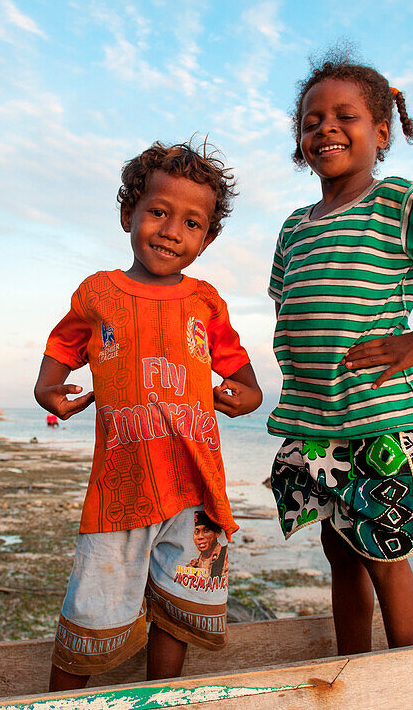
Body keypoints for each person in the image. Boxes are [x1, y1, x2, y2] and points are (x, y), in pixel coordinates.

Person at [267, 51, 413, 656]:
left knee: (385, 556)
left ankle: (408, 678)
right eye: (311, 120)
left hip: (381, 416)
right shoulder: (294, 227)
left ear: (381, 132)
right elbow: (290, 304)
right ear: (301, 143)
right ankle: (353, 670)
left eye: (343, 116)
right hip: (317, 419)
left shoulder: (398, 201)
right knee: (339, 554)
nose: (325, 128)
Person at [35, 141, 262, 691]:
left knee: (180, 609)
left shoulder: (206, 302)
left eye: (191, 222)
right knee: (90, 609)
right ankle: (62, 704)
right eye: (158, 212)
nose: (171, 231)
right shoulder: (98, 293)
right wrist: (47, 388)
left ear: (206, 239)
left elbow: (244, 377)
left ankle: (160, 699)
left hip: (197, 486)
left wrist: (245, 395)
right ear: (127, 214)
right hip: (121, 488)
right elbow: (63, 347)